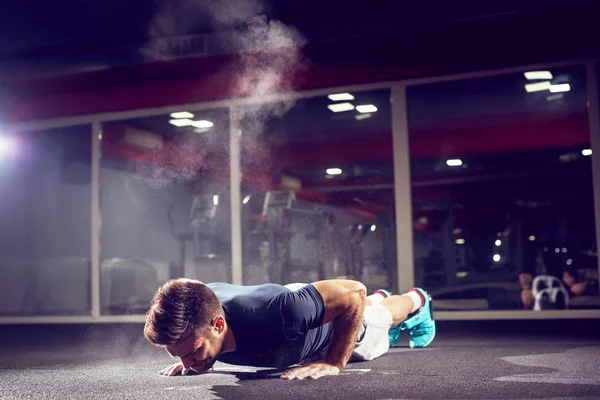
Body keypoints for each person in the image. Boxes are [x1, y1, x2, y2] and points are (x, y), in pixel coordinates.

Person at [143, 278, 435, 380]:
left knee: (379, 317)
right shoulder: (201, 311)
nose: (188, 364)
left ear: (218, 325)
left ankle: (417, 300)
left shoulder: (280, 312)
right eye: (178, 356)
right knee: (363, 303)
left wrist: (334, 361)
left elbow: (354, 292)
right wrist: (190, 357)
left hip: (330, 329)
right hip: (297, 306)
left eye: (193, 353)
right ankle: (379, 299)